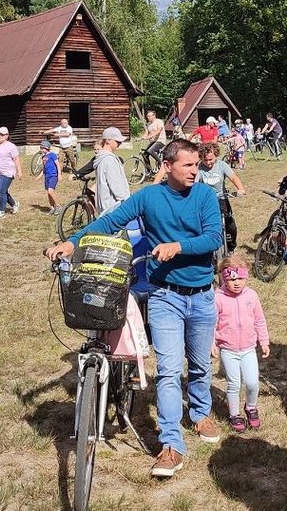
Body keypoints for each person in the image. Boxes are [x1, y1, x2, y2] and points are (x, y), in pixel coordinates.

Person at [46, 138, 222, 479]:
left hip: (201, 295)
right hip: (164, 297)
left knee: (200, 365)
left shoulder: (204, 196)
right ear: (167, 166)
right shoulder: (148, 197)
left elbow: (213, 237)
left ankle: (200, 413)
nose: (194, 170)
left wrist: (178, 246)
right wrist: (72, 241)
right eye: (187, 165)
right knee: (169, 371)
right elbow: (109, 222)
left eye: (196, 164)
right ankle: (171, 444)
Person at [212, 254, 270, 433]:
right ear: (224, 277)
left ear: (247, 277)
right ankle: (234, 414)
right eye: (231, 279)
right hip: (228, 349)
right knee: (234, 383)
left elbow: (259, 320)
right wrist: (211, 343)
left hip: (248, 349)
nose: (236, 283)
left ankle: (251, 407)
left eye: (241, 279)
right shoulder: (218, 297)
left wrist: (264, 341)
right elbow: (213, 322)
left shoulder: (252, 296)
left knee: (252, 383)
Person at [195, 142, 245, 254]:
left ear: (216, 155)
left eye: (210, 159)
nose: (208, 163)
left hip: (221, 197)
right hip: (206, 201)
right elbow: (194, 182)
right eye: (205, 160)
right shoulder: (199, 168)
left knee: (230, 225)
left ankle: (231, 247)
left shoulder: (222, 165)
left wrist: (240, 188)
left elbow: (233, 177)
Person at [83, 127, 132, 216]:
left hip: (104, 204)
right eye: (117, 141)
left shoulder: (100, 157)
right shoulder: (109, 160)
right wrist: (126, 201)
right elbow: (115, 184)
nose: (120, 143)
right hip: (113, 205)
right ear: (108, 140)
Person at [37, 140, 61, 215]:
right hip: (47, 177)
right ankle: (52, 208)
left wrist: (59, 174)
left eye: (42, 148)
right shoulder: (43, 157)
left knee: (51, 191)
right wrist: (39, 176)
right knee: (48, 193)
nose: (40, 149)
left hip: (53, 176)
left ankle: (58, 206)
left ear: (46, 148)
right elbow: (44, 168)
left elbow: (58, 165)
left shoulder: (53, 155)